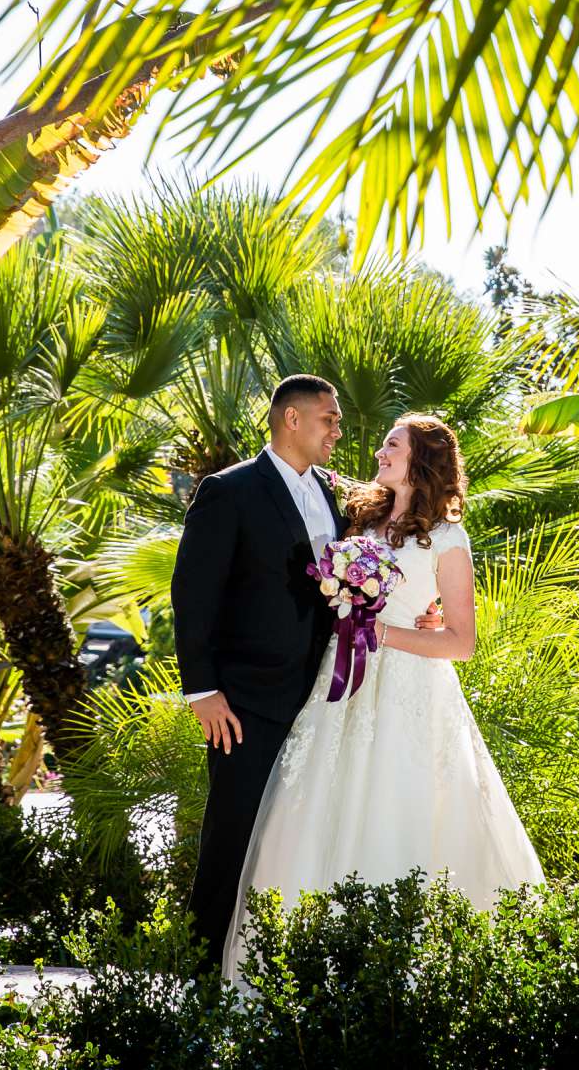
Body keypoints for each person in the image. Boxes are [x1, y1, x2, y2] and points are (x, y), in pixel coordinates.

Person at [217, 410, 543, 979]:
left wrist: (381, 632)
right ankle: (300, 968)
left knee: (399, 808)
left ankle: (401, 973)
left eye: (392, 445)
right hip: (338, 686)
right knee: (316, 806)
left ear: (421, 458)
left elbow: (461, 641)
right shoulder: (359, 517)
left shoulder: (447, 537)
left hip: (408, 692)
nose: (379, 453)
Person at [170, 375, 441, 969]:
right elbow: (192, 595)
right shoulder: (229, 491)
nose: (339, 431)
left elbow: (373, 574)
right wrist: (204, 690)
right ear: (292, 420)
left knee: (296, 843)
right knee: (233, 835)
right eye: (330, 419)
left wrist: (419, 606)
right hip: (245, 704)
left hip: (326, 698)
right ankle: (198, 978)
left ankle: (281, 971)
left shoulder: (339, 495)